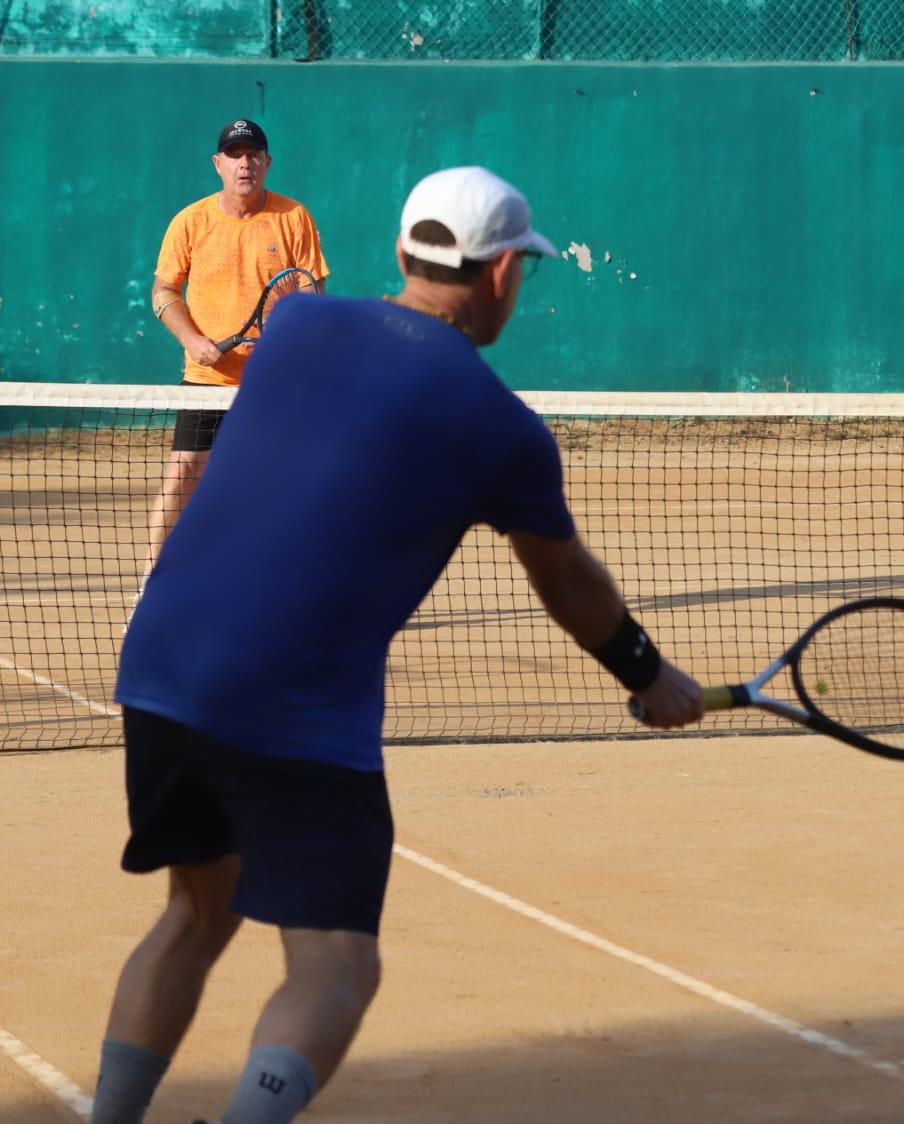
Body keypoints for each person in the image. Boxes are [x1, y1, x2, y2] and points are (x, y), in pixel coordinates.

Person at [92, 166, 704, 1124]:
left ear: (402, 254)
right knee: (334, 960)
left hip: (161, 666)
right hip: (293, 710)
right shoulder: (500, 428)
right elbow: (568, 583)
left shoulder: (294, 328)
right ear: (502, 272)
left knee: (194, 914)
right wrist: (647, 672)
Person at [142, 118, 330, 582]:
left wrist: (291, 335)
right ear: (218, 164)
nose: (245, 163)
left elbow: (313, 293)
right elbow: (164, 289)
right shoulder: (191, 221)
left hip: (273, 384)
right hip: (205, 383)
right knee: (182, 475)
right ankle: (152, 584)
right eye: (235, 155)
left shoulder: (294, 218)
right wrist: (192, 340)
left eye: (253, 154)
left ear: (267, 162)